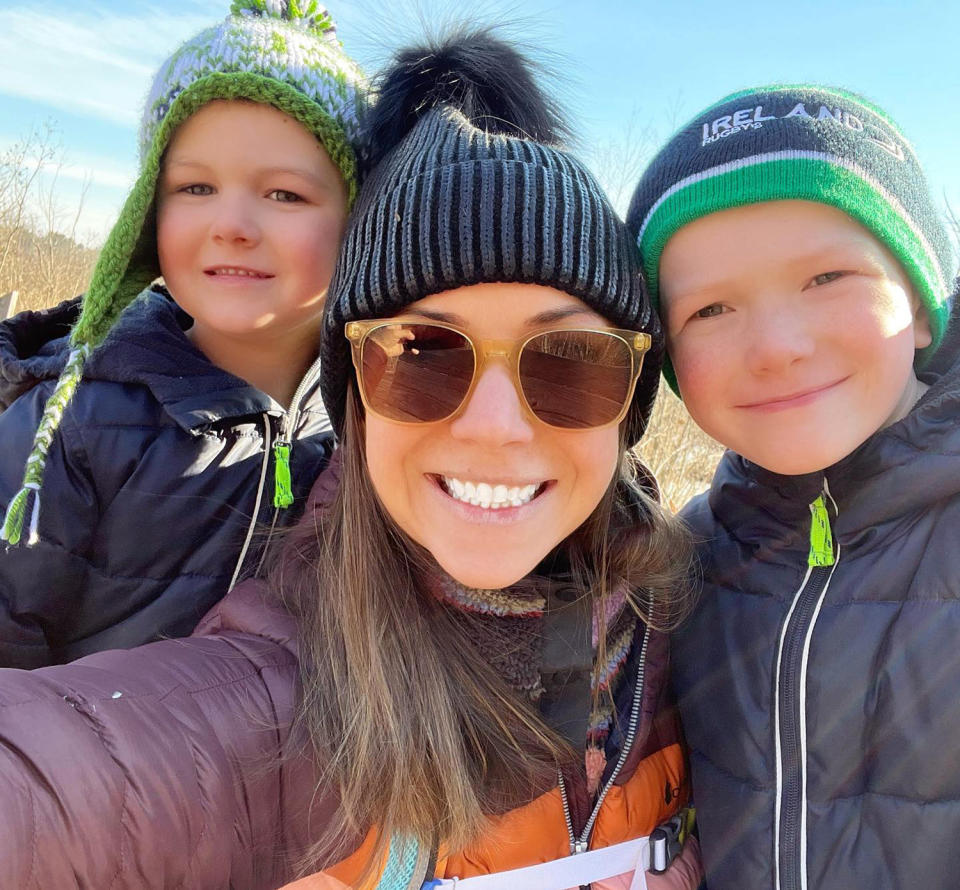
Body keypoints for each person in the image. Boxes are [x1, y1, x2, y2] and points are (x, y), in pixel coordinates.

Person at [0, 32, 704, 890]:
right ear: (360, 393)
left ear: (633, 398)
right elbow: (83, 776)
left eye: (568, 360)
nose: (492, 426)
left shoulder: (696, 616)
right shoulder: (79, 433)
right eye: (421, 355)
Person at [628, 85, 959, 889]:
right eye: (710, 310)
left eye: (826, 278)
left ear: (918, 301)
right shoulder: (684, 561)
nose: (776, 346)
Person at [0, 1, 365, 667]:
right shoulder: (76, 427)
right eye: (195, 187)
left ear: (357, 223)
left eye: (285, 195)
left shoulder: (369, 428)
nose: (231, 224)